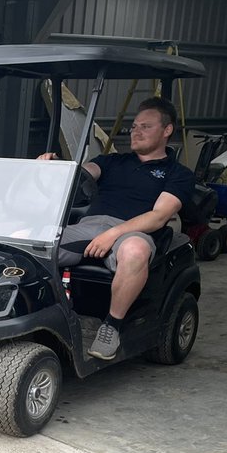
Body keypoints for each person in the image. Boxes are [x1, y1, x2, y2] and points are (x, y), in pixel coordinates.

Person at [41, 97, 195, 360]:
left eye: (145, 126)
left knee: (134, 250)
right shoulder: (112, 161)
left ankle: (111, 326)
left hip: (135, 233)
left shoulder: (177, 173)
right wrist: (55, 167)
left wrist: (113, 234)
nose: (136, 131)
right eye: (134, 126)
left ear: (166, 130)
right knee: (32, 240)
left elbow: (159, 217)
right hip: (90, 226)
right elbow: (83, 172)